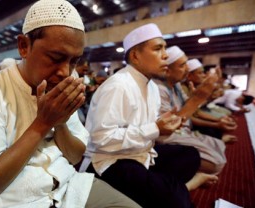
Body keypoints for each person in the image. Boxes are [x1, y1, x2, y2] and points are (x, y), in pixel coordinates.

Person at [0, 0, 140, 207]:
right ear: (24, 46)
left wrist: (60, 122)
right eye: (55, 58)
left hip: (69, 188)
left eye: (74, 61)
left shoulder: (64, 82)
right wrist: (42, 124)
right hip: (12, 199)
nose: (65, 72)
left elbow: (75, 156)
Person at [82, 23, 203, 208]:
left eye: (164, 48)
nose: (165, 55)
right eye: (158, 48)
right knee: (175, 199)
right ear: (135, 55)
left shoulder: (152, 87)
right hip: (109, 162)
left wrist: (165, 127)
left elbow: (149, 132)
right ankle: (172, 188)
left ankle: (163, 187)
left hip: (141, 155)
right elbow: (101, 139)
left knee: (190, 156)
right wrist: (154, 128)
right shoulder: (118, 85)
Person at [154, 46, 226, 176]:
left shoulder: (176, 85)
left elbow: (189, 108)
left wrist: (204, 95)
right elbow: (169, 127)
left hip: (184, 130)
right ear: (167, 70)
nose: (187, 69)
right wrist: (198, 98)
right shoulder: (159, 89)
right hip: (168, 136)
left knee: (219, 144)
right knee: (215, 163)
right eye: (182, 65)